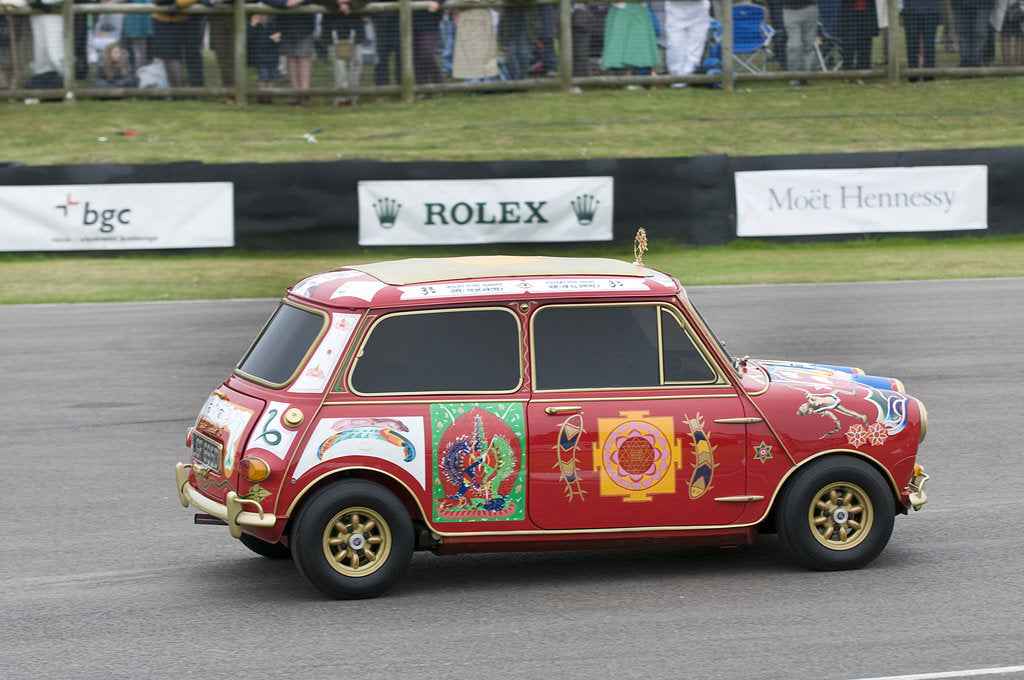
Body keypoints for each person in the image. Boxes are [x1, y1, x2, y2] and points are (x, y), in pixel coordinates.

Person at [263, 0, 317, 104]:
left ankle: (305, 92)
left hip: (305, 26)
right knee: (291, 58)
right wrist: (285, 4)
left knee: (303, 58)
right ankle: (295, 92)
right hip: (285, 25)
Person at [151, 0, 206, 88]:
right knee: (167, 57)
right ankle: (176, 91)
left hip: (186, 18)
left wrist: (178, 3)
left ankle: (191, 90)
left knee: (191, 55)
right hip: (162, 18)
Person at [600, 1, 662, 76]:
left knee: (640, 43)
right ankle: (624, 77)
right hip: (620, 9)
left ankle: (639, 76)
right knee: (619, 44)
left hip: (640, 9)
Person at [325, 0, 369, 105]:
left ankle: (353, 96)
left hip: (355, 28)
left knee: (357, 63)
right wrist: (337, 3)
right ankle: (342, 97)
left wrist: (349, 2)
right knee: (340, 66)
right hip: (333, 28)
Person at [664, 0, 711, 84]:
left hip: (699, 8)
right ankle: (676, 78)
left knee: (695, 46)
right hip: (675, 8)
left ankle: (687, 76)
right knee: (675, 44)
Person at [452, 6, 500, 82]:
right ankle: (474, 83)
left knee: (484, 52)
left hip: (482, 18)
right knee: (470, 53)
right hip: (468, 19)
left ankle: (486, 82)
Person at [247, 11, 280, 102]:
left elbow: (278, 43)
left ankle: (269, 95)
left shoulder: (272, 26)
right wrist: (252, 25)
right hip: (259, 56)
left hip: (272, 56)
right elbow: (248, 38)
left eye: (264, 16)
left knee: (271, 76)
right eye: (259, 16)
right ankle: (261, 95)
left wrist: (277, 40)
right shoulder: (254, 27)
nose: (262, 18)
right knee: (263, 76)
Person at [838, 0, 877, 73]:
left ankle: (863, 73)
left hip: (866, 14)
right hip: (849, 14)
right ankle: (847, 72)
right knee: (849, 44)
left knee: (865, 44)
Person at [904, 0, 940, 78]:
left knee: (928, 42)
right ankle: (914, 74)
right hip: (913, 10)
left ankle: (927, 74)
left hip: (929, 9)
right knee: (912, 42)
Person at [412, 0, 444, 88]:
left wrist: (438, 2)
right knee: (417, 57)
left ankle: (438, 84)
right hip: (410, 21)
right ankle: (421, 87)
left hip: (430, 21)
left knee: (427, 53)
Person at [783, 0, 818, 80]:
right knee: (794, 46)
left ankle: (805, 77)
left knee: (808, 45)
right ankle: (794, 76)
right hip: (790, 11)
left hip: (810, 10)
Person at [953, 0, 995, 65]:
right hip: (960, 4)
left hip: (982, 4)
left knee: (980, 34)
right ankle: (965, 63)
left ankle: (975, 64)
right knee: (962, 34)